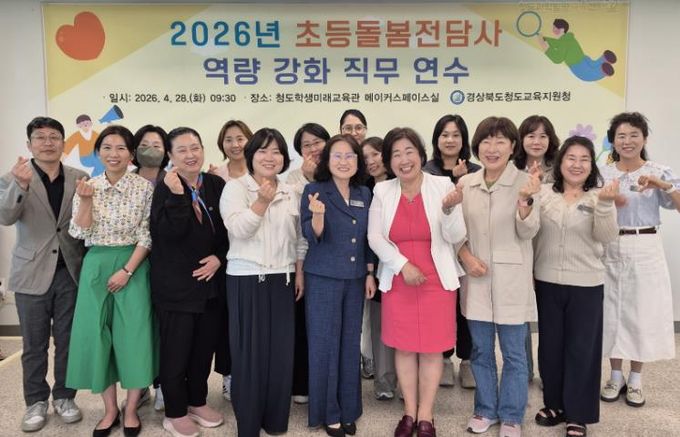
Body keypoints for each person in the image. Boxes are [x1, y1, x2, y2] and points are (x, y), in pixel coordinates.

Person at [368, 127, 467, 437]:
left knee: (432, 349)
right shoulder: (382, 191)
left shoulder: (442, 185)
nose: (404, 159)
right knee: (405, 348)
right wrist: (402, 265)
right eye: (396, 154)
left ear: (421, 156)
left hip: (436, 279)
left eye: (409, 151)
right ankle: (409, 412)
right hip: (399, 279)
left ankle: (426, 415)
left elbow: (456, 235)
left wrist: (449, 210)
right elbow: (374, 237)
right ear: (389, 162)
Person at [66, 125, 156, 437]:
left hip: (133, 264)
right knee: (97, 336)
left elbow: (147, 235)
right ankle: (110, 410)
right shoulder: (87, 186)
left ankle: (131, 409)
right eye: (107, 147)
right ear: (98, 152)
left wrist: (127, 270)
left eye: (120, 148)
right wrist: (86, 201)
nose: (113, 154)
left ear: (131, 154)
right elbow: (79, 232)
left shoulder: (144, 188)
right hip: (96, 265)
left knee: (134, 336)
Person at [0, 117, 87, 433]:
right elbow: (5, 217)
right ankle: (35, 401)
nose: (48, 142)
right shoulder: (13, 177)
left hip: (70, 272)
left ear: (63, 143)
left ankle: (65, 397)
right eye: (40, 137)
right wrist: (20, 186)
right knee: (34, 345)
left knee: (68, 341)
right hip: (31, 272)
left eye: (54, 137)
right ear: (29, 144)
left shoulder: (79, 177)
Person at [220, 128, 307, 437]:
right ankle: (248, 423)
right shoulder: (235, 188)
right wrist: (260, 202)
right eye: (263, 151)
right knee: (249, 354)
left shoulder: (291, 191)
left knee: (280, 354)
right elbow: (238, 230)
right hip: (246, 278)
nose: (270, 157)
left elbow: (300, 238)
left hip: (283, 278)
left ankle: (275, 420)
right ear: (251, 155)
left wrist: (298, 271)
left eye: (277, 152)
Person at [457, 116, 540, 437]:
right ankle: (485, 409)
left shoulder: (526, 182)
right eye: (486, 141)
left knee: (515, 354)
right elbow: (454, 231)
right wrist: (465, 256)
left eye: (500, 141)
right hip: (476, 278)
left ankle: (511, 415)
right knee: (480, 351)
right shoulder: (466, 184)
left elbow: (529, 230)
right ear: (477, 147)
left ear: (512, 146)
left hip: (511, 282)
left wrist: (525, 202)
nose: (492, 148)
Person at [532, 136, 619, 437]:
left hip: (586, 284)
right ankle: (554, 405)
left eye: (584, 159)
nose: (577, 164)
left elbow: (607, 237)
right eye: (571, 158)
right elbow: (530, 232)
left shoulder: (598, 196)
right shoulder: (543, 193)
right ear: (560, 162)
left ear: (592, 165)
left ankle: (578, 414)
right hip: (547, 282)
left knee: (582, 350)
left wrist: (605, 205)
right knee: (550, 348)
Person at [150, 127, 228, 437]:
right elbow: (168, 236)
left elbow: (230, 230)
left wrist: (219, 257)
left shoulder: (215, 184)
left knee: (203, 350)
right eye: (181, 150)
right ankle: (175, 412)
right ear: (170, 156)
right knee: (176, 352)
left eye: (195, 147)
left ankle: (197, 401)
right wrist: (178, 197)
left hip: (210, 285)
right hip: (176, 287)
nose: (190, 154)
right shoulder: (165, 187)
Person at [599, 112, 680, 408]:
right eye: (621, 136)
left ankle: (635, 379)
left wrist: (663, 186)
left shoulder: (659, 171)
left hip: (645, 244)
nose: (627, 141)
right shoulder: (602, 172)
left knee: (641, 312)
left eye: (634, 135)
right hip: (610, 243)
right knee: (611, 311)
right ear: (612, 141)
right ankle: (615, 376)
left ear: (644, 138)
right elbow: (586, 208)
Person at [301, 134, 376, 436]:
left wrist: (369, 272)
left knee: (349, 344)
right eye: (337, 156)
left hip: (355, 278)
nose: (344, 161)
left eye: (350, 156)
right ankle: (327, 412)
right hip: (323, 278)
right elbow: (311, 235)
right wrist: (318, 217)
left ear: (358, 161)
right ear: (327, 160)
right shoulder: (314, 190)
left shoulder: (363, 192)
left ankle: (349, 409)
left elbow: (369, 237)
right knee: (324, 345)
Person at [423, 114, 480, 389]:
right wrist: (452, 180)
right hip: (437, 250)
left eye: (456, 135)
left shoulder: (476, 171)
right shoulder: (426, 171)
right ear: (436, 139)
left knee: (467, 307)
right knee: (442, 307)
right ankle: (443, 359)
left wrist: (463, 180)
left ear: (464, 139)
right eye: (445, 134)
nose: (450, 140)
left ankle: (467, 361)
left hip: (468, 248)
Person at [286, 122, 331, 405]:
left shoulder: (340, 171)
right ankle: (301, 383)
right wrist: (299, 269)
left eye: (318, 142)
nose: (313, 149)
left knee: (329, 327)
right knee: (302, 324)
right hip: (305, 260)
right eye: (306, 145)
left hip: (334, 262)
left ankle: (328, 383)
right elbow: (300, 230)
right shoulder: (292, 179)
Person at [514, 114, 561, 383]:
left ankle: (548, 372)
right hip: (520, 245)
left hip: (551, 246)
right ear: (521, 139)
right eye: (531, 135)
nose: (537, 141)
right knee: (520, 315)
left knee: (549, 317)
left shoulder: (561, 170)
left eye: (543, 136)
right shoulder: (511, 170)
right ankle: (524, 371)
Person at [209, 120, 252, 400]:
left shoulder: (262, 171)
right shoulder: (215, 176)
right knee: (226, 319)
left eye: (240, 138)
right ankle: (229, 374)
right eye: (228, 139)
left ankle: (251, 370)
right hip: (223, 257)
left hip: (254, 256)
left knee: (250, 320)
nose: (235, 145)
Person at [361, 136, 397, 401]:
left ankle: (408, 380)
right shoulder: (362, 191)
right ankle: (384, 382)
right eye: (365, 158)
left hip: (401, 264)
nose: (371, 161)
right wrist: (369, 271)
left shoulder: (401, 184)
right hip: (373, 266)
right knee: (379, 324)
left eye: (375, 154)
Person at [340, 110, 374, 380]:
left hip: (370, 248)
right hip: (341, 255)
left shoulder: (372, 168)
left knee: (368, 311)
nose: (354, 132)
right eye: (348, 127)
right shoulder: (338, 163)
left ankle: (369, 356)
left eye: (359, 126)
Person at [537, 18, 617, 82]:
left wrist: (545, 48)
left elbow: (557, 59)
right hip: (583, 59)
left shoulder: (563, 42)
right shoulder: (569, 38)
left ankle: (603, 71)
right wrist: (545, 39)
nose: (553, 29)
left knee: (589, 75)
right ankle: (604, 58)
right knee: (593, 64)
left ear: (562, 29)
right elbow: (558, 43)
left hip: (577, 66)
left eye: (555, 27)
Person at [209, 120, 252, 185]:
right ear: (221, 144)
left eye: (240, 139)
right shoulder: (217, 176)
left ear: (250, 141)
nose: (235, 145)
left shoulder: (261, 170)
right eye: (229, 140)